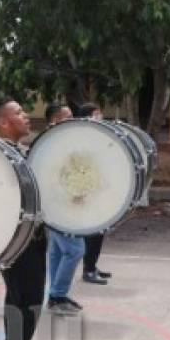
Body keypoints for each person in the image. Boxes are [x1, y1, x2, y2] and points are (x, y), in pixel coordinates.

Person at [0, 97, 52, 340]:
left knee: (34, 301)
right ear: (3, 123)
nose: (27, 116)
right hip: (14, 242)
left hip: (35, 236)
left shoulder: (23, 152)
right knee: (19, 301)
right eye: (19, 113)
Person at [43, 102, 85, 314]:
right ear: (54, 121)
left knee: (58, 251)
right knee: (76, 250)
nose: (73, 120)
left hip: (60, 206)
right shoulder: (50, 144)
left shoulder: (60, 141)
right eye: (67, 117)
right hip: (58, 207)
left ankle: (56, 295)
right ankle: (57, 296)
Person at [77, 102, 112, 285]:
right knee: (93, 233)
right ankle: (88, 270)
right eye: (97, 114)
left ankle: (92, 265)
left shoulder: (96, 136)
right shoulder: (82, 138)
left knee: (99, 232)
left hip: (97, 190)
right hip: (88, 192)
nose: (101, 117)